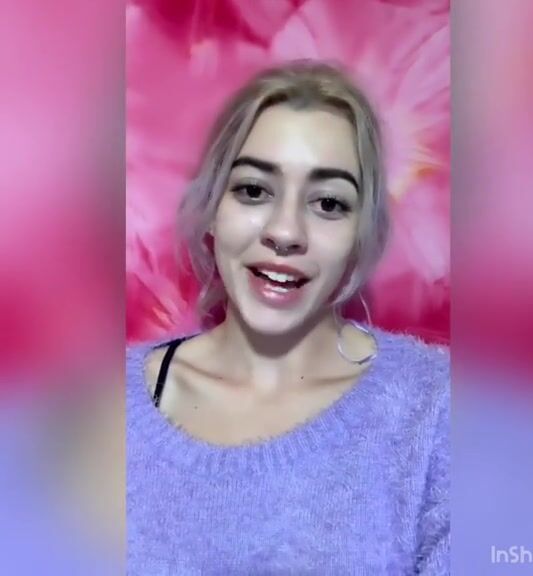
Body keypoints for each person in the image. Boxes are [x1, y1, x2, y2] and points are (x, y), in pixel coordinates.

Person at [127, 61, 449, 575]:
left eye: (328, 203)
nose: (285, 232)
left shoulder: (438, 414)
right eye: (254, 190)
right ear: (213, 209)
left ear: (360, 233)